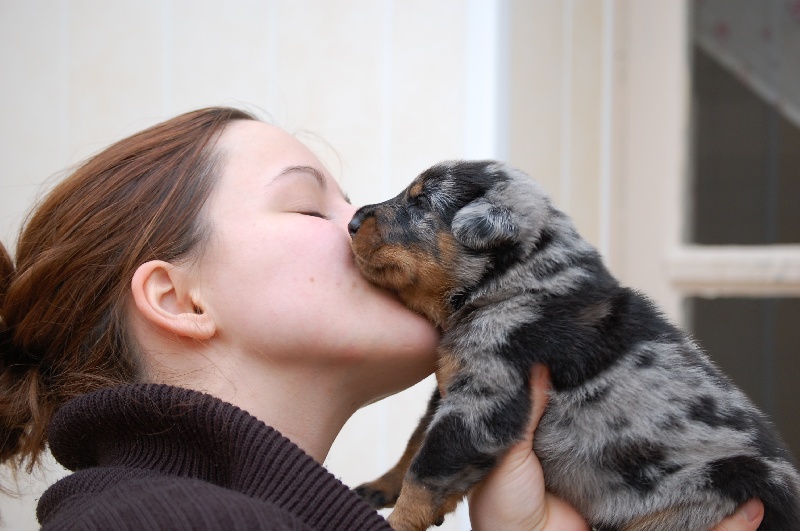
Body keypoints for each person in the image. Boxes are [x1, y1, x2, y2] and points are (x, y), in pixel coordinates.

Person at [0, 107, 763, 530]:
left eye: (355, 197)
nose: (362, 219)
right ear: (179, 299)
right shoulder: (158, 524)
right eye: (307, 202)